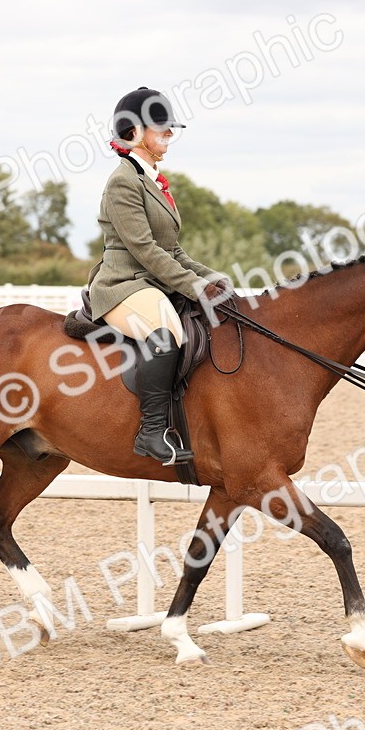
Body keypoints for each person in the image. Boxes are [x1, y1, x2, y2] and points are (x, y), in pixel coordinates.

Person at [86, 86, 234, 465]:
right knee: (167, 336)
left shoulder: (154, 180)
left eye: (170, 130)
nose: (169, 136)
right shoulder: (123, 181)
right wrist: (194, 286)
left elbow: (173, 250)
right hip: (123, 284)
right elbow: (145, 251)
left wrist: (211, 276)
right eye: (161, 130)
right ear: (134, 132)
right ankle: (151, 432)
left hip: (150, 280)